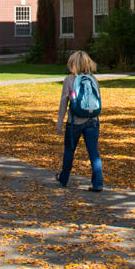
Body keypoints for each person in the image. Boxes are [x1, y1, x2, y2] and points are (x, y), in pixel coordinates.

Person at [54, 50, 104, 192]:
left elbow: (64, 103)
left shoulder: (69, 80)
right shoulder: (93, 79)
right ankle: (98, 183)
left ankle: (64, 179)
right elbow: (98, 99)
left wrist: (60, 122)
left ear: (72, 64)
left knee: (69, 151)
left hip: (74, 122)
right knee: (94, 152)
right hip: (93, 121)